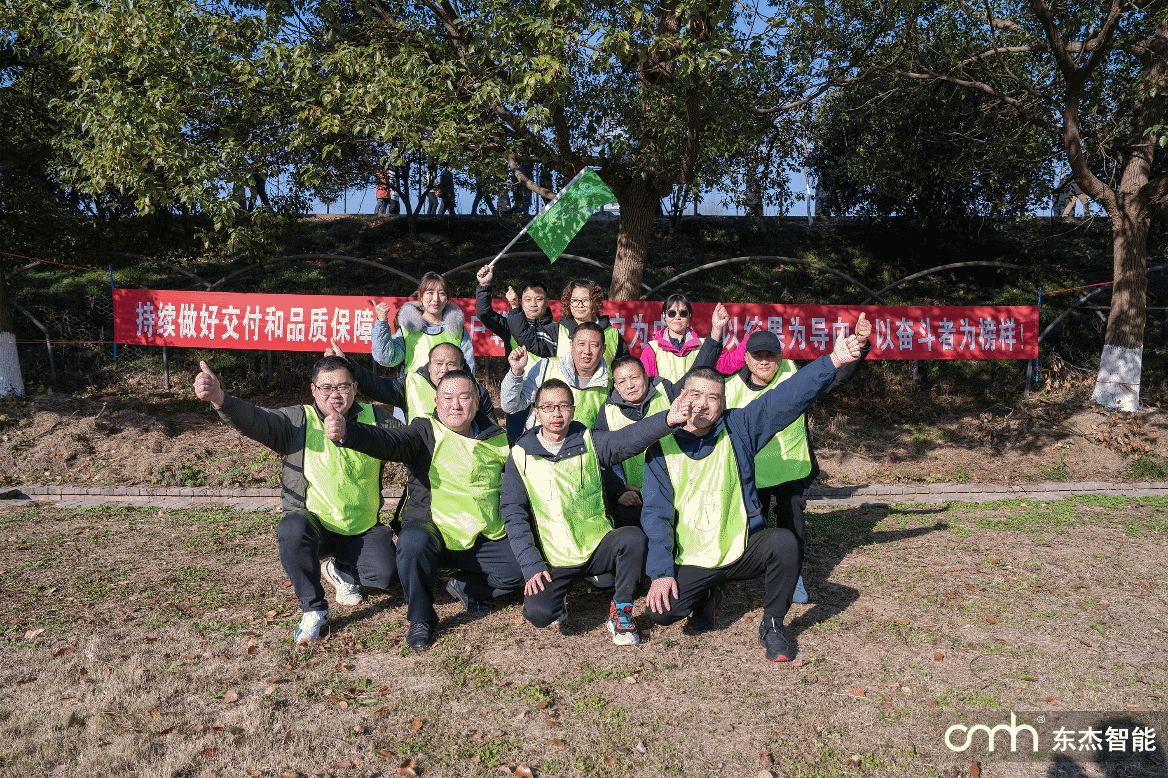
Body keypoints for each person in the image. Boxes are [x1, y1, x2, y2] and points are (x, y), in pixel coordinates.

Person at [641, 317, 867, 662]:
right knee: (662, 612)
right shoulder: (661, 448)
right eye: (696, 394)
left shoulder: (740, 426)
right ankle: (709, 592)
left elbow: (787, 396)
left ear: (723, 403)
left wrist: (834, 360)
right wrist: (660, 573)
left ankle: (773, 624)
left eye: (713, 397)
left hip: (742, 547)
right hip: (695, 557)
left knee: (785, 542)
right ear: (682, 397)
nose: (703, 404)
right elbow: (656, 516)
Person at [193, 356, 399, 645]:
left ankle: (340, 570)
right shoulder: (296, 421)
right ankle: (314, 609)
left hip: (362, 528)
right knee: (291, 528)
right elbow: (255, 419)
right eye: (326, 388)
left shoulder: (378, 419)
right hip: (315, 526)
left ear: (355, 388)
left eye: (342, 386)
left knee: (387, 575)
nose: (335, 394)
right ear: (313, 390)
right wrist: (219, 398)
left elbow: (411, 441)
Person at [325, 369, 523, 653]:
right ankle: (421, 618)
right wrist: (350, 432)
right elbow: (389, 441)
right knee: (412, 542)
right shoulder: (423, 431)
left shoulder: (497, 439)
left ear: (477, 401)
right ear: (436, 402)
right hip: (433, 531)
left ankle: (466, 586)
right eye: (448, 398)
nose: (456, 405)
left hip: (481, 533)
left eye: (464, 397)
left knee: (519, 569)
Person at [501, 379, 693, 644]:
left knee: (633, 538)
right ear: (537, 412)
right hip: (555, 557)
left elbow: (627, 439)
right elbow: (513, 513)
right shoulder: (520, 454)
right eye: (548, 407)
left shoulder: (590, 441)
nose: (556, 413)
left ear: (573, 409)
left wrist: (667, 420)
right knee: (540, 615)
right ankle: (558, 598)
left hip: (598, 545)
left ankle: (621, 610)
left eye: (563, 406)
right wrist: (530, 563)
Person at [719, 319, 871, 604]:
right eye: (757, 355)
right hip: (751, 473)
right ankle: (745, 574)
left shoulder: (794, 374)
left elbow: (836, 376)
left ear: (780, 356)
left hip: (791, 468)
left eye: (771, 355)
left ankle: (792, 576)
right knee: (751, 528)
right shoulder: (728, 388)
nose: (764, 361)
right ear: (746, 357)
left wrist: (860, 346)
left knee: (792, 526)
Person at [595, 303, 730, 529]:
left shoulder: (666, 392)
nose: (630, 385)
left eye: (634, 378)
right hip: (633, 496)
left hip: (674, 487)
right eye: (622, 381)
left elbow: (696, 372)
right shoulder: (607, 412)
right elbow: (602, 460)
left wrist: (715, 333)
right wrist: (618, 490)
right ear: (615, 386)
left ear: (646, 376)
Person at [475, 263, 555, 441]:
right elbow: (485, 314)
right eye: (528, 299)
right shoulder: (510, 325)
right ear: (521, 301)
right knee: (517, 444)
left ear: (548, 301)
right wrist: (484, 286)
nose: (533, 304)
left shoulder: (557, 329)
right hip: (518, 396)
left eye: (539, 299)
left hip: (549, 398)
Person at [327, 339, 495, 423]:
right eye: (438, 364)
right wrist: (347, 364)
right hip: (422, 471)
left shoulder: (477, 392)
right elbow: (374, 384)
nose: (444, 370)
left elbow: (491, 432)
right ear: (429, 366)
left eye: (451, 364)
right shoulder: (409, 385)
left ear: (461, 366)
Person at [500, 322, 609, 431]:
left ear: (603, 349)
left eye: (594, 345)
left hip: (583, 442)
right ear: (571, 345)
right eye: (581, 344)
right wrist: (516, 372)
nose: (587, 351)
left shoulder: (609, 385)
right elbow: (510, 406)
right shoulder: (546, 367)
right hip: (539, 440)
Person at [507, 278, 630, 369]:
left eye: (585, 300)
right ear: (568, 302)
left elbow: (624, 368)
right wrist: (515, 307)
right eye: (575, 300)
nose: (580, 305)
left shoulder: (612, 333)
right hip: (564, 396)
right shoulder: (557, 330)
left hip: (602, 396)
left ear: (595, 302)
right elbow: (525, 337)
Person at [371, 271, 474, 372]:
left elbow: (468, 367)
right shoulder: (408, 328)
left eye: (442, 293)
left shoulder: (458, 330)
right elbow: (387, 359)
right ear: (421, 296)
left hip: (450, 384)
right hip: (412, 384)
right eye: (430, 292)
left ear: (447, 298)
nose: (436, 299)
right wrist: (381, 322)